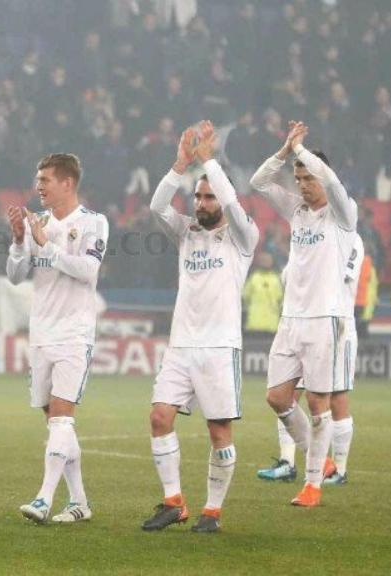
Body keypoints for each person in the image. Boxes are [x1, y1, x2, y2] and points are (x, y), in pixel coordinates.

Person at [141, 122, 258, 533]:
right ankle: (174, 502)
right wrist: (179, 165)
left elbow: (231, 197)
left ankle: (212, 511)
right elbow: (156, 207)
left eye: (209, 197)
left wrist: (209, 159)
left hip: (219, 347)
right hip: (180, 345)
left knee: (218, 430)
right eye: (198, 196)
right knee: (159, 417)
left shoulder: (243, 237)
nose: (203, 203)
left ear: (222, 201)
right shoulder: (187, 231)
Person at [249, 120, 358, 507]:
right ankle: (322, 459)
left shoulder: (344, 214)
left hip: (324, 319)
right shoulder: (297, 211)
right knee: (278, 397)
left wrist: (303, 153)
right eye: (298, 179)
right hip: (291, 319)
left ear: (323, 178)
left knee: (317, 403)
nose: (302, 185)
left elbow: (330, 180)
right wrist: (285, 152)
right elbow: (259, 183)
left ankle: (312, 484)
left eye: (308, 178)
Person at [6, 153, 109, 524]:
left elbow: (87, 271)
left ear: (67, 183)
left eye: (45, 180)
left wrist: (47, 246)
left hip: (73, 334)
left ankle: (43, 499)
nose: (39, 187)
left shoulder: (93, 223)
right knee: (55, 424)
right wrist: (20, 241)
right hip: (41, 334)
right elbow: (16, 275)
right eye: (38, 180)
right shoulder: (39, 223)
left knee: (62, 420)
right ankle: (80, 502)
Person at [257, 234, 363, 487]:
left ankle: (338, 470)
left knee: (335, 397)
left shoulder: (351, 240)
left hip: (338, 324)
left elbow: (337, 278)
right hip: (303, 322)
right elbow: (287, 276)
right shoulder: (309, 236)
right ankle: (287, 462)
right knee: (288, 394)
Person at [242, 252, 283, 340]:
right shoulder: (253, 278)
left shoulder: (276, 279)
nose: (265, 262)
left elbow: (281, 299)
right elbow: (245, 297)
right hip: (254, 325)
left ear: (272, 262)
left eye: (267, 260)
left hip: (272, 325)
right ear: (259, 262)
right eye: (263, 260)